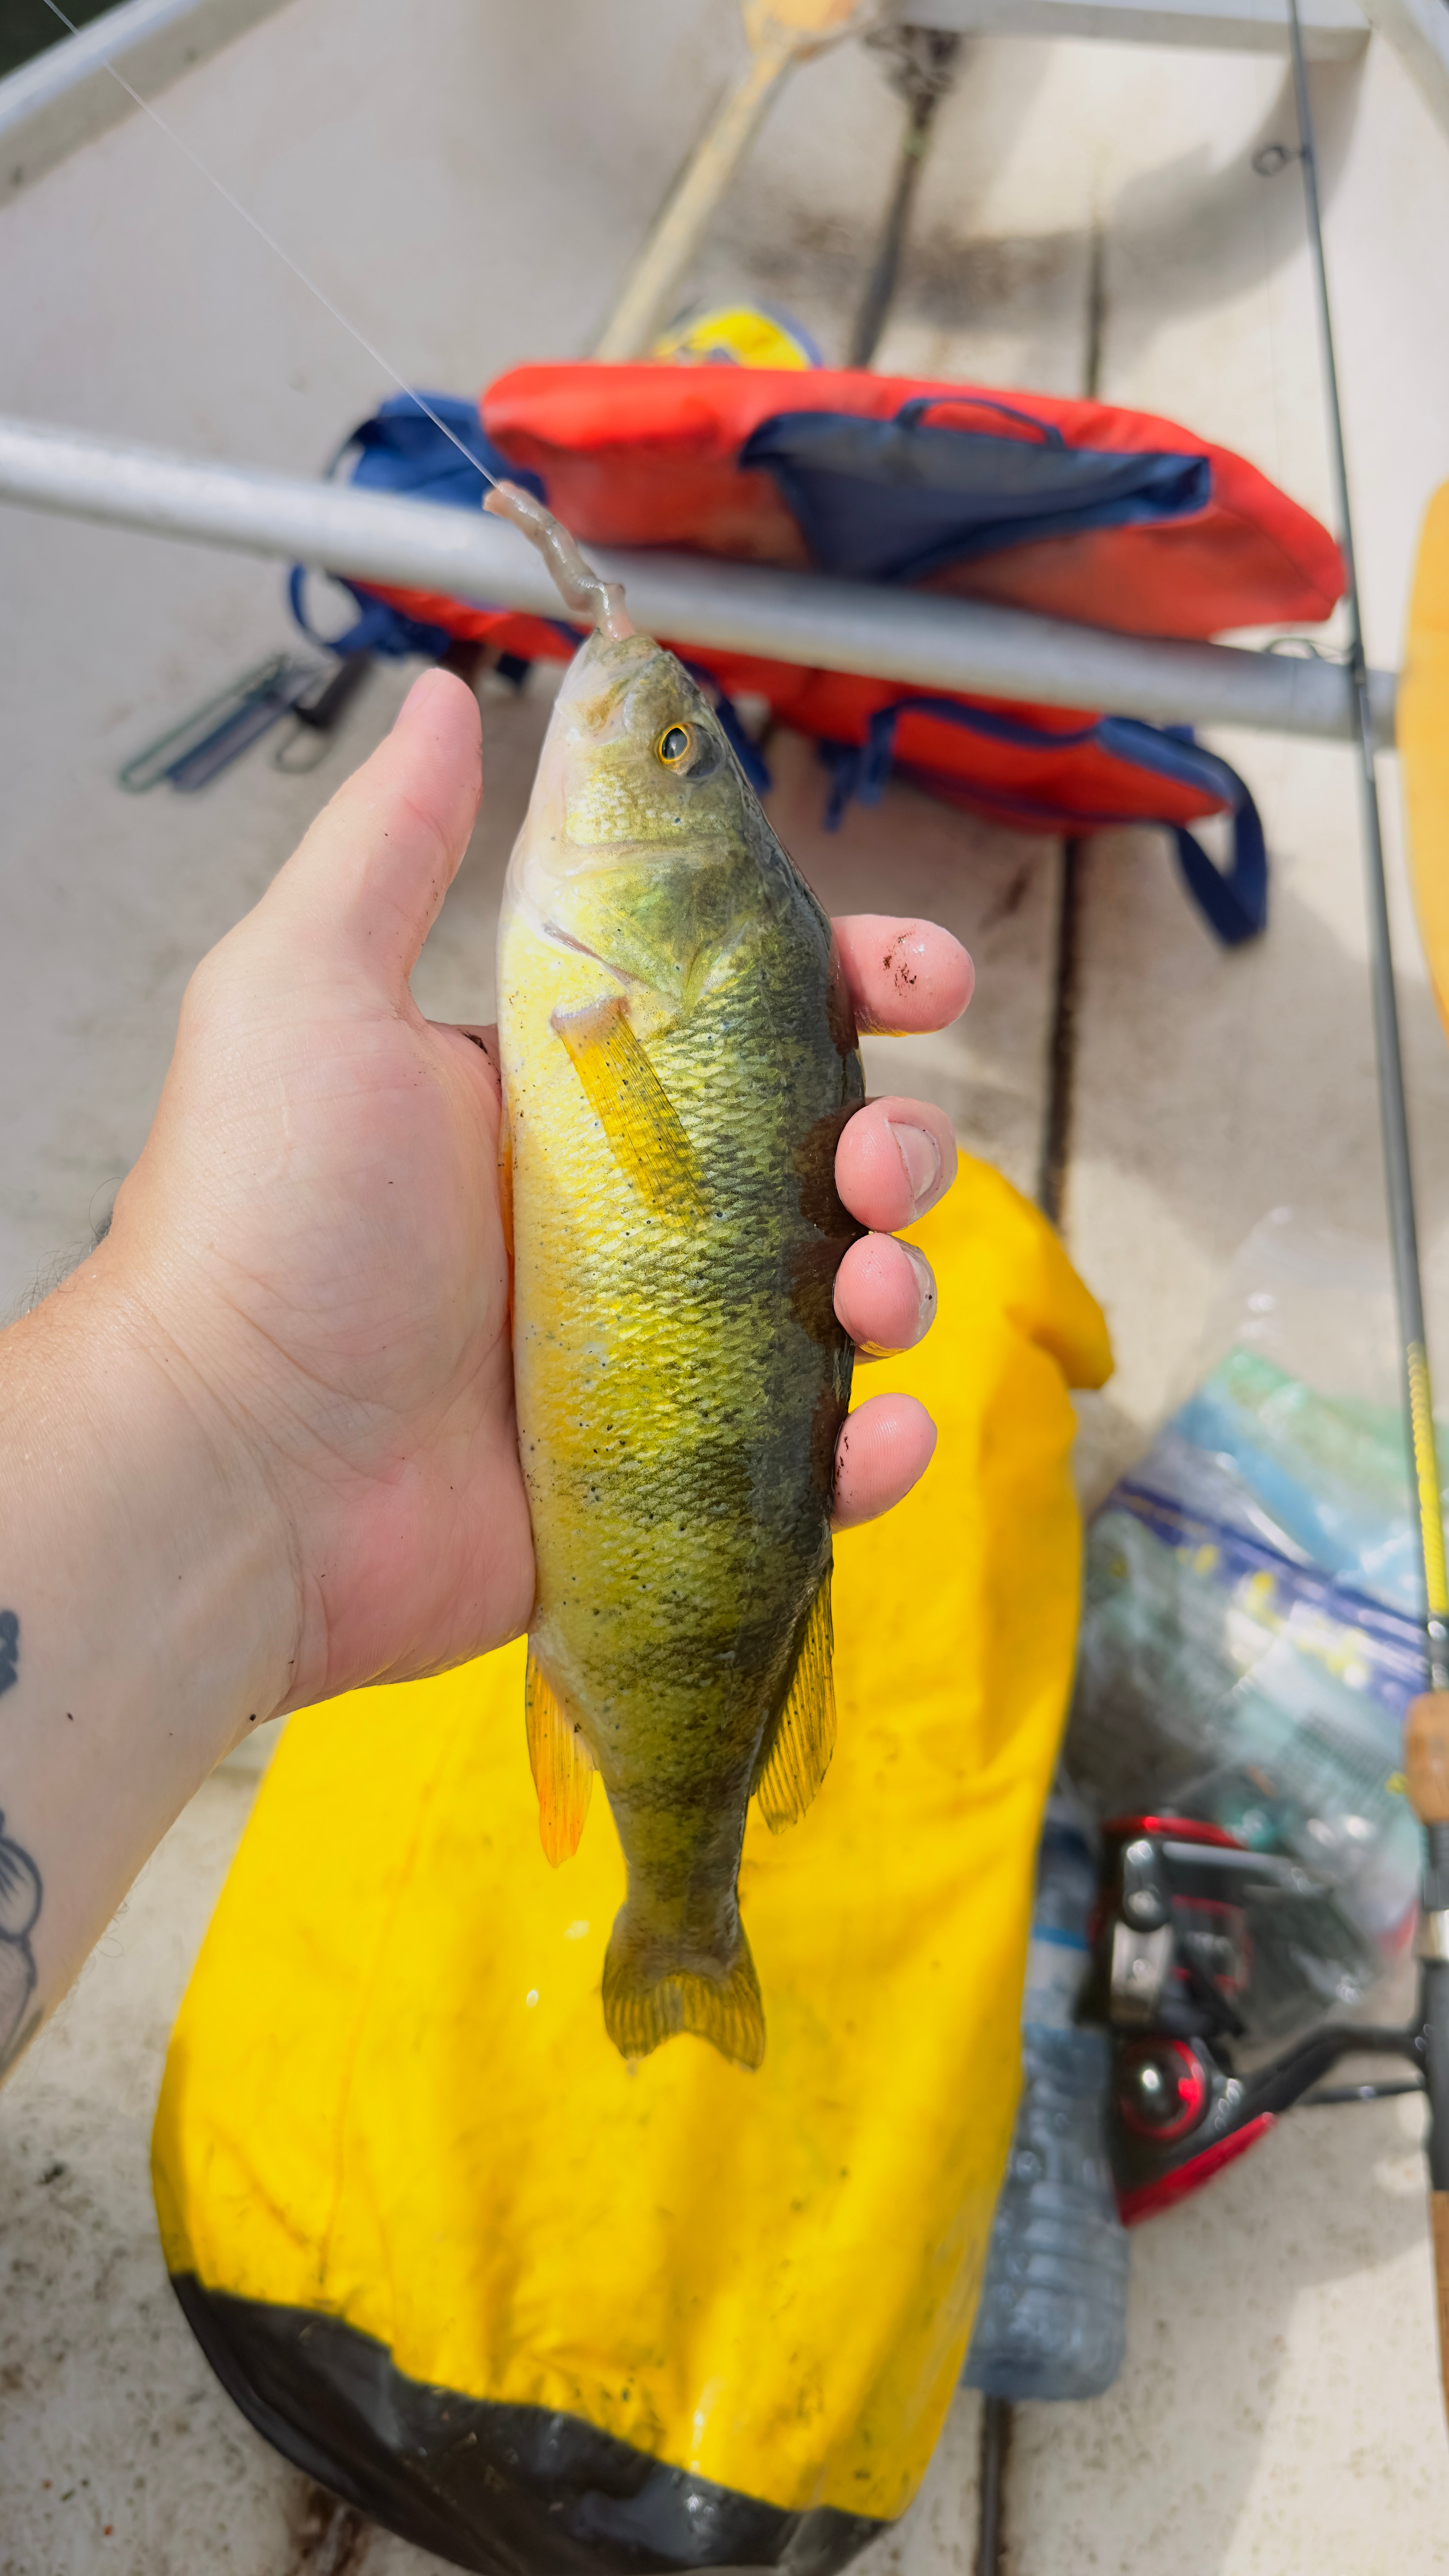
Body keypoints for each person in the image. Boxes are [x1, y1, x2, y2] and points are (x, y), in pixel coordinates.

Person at [0, 670, 972, 2079]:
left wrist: (214, 1421)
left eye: (675, 747)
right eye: (681, 746)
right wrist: (219, 1387)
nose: (647, 724)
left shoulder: (631, 990)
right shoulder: (627, 989)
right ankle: (687, 1904)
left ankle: (682, 1902)